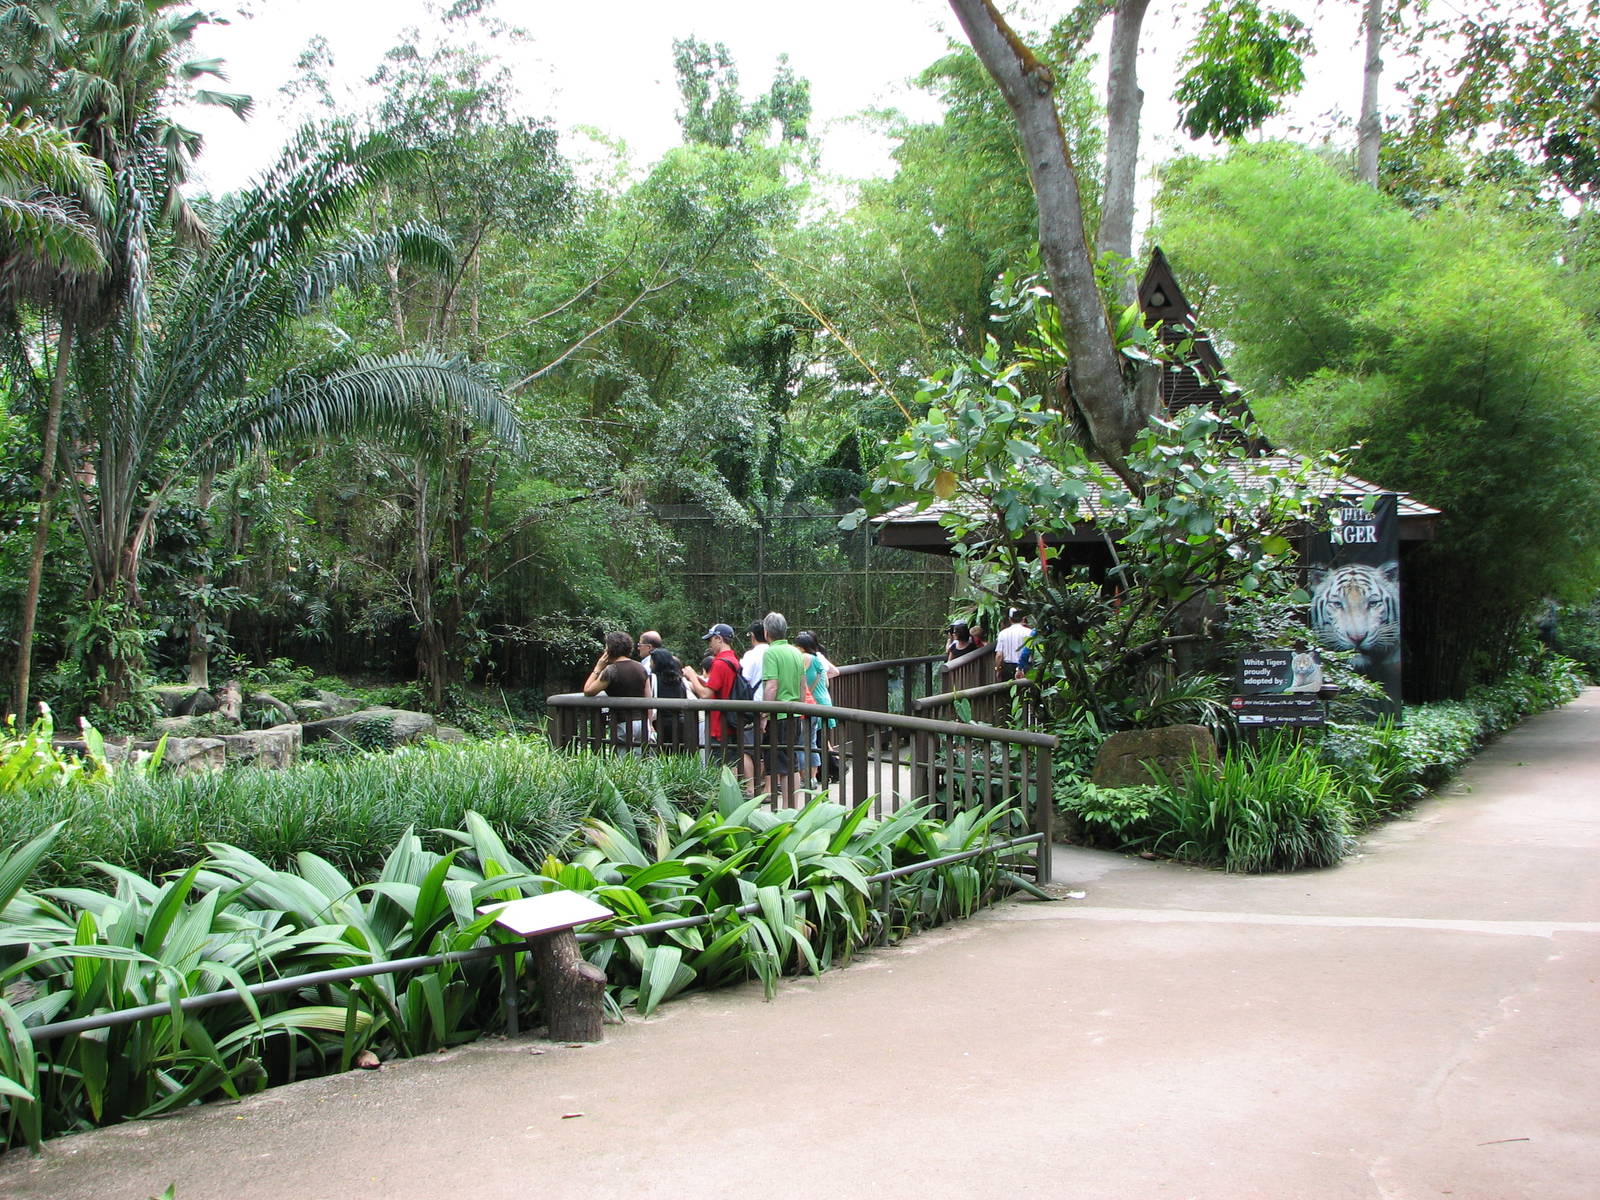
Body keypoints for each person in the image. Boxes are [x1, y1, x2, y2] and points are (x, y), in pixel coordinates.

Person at [760, 611, 807, 802]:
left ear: (766, 632)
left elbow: (772, 686)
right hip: (794, 714)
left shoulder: (771, 652)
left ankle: (784, 810)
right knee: (791, 761)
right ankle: (791, 808)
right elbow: (802, 685)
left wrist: (763, 713)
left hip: (778, 716)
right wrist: (802, 709)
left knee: (778, 761)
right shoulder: (796, 652)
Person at [683, 623, 744, 771]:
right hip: (731, 722)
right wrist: (699, 680)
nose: (709, 644)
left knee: (720, 768)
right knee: (731, 765)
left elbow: (705, 695)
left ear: (718, 639)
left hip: (719, 724)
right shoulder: (734, 660)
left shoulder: (720, 663)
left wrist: (691, 676)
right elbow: (717, 688)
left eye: (710, 640)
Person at [583, 630, 652, 751]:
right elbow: (649, 698)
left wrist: (598, 668)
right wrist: (650, 723)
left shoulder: (611, 670)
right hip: (642, 722)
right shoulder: (641, 667)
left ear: (609, 650)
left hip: (622, 722)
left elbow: (588, 691)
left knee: (622, 761)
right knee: (640, 760)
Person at [794, 630, 839, 784]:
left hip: (812, 701)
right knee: (817, 740)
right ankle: (818, 776)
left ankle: (809, 776)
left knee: (804, 742)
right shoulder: (818, 658)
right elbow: (826, 681)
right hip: (824, 699)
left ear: (801, 647)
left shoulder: (803, 658)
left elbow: (801, 681)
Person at [993, 609, 1033, 681]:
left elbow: (999, 655)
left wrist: (998, 669)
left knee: (1008, 689)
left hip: (1008, 668)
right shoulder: (1030, 632)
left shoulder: (1003, 633)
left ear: (1010, 619)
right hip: (1026, 667)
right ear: (1023, 619)